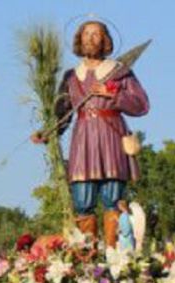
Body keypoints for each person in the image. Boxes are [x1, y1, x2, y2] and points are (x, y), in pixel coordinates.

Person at [33, 19, 150, 244]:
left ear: (105, 40)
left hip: (112, 136)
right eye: (86, 34)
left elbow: (141, 105)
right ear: (79, 39)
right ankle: (87, 257)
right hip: (83, 139)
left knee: (113, 199)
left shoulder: (119, 72)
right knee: (82, 199)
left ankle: (115, 253)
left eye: (96, 34)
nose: (90, 38)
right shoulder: (70, 77)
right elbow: (61, 114)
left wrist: (112, 95)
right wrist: (47, 132)